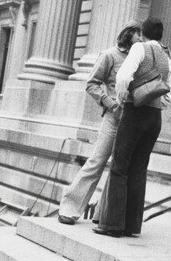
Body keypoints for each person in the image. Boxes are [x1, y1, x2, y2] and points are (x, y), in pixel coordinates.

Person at [93, 17, 171, 238]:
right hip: (154, 117)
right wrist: (155, 101)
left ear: (144, 33)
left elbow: (122, 77)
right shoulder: (167, 56)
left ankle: (112, 225)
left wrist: (123, 98)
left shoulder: (140, 47)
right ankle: (132, 226)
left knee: (120, 167)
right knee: (139, 170)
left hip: (134, 113)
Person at [57, 21, 142, 225]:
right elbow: (92, 84)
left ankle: (104, 214)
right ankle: (69, 209)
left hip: (132, 119)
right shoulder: (109, 55)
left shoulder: (138, 58)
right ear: (129, 35)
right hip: (113, 118)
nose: (141, 40)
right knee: (97, 161)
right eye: (139, 35)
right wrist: (109, 102)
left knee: (120, 168)